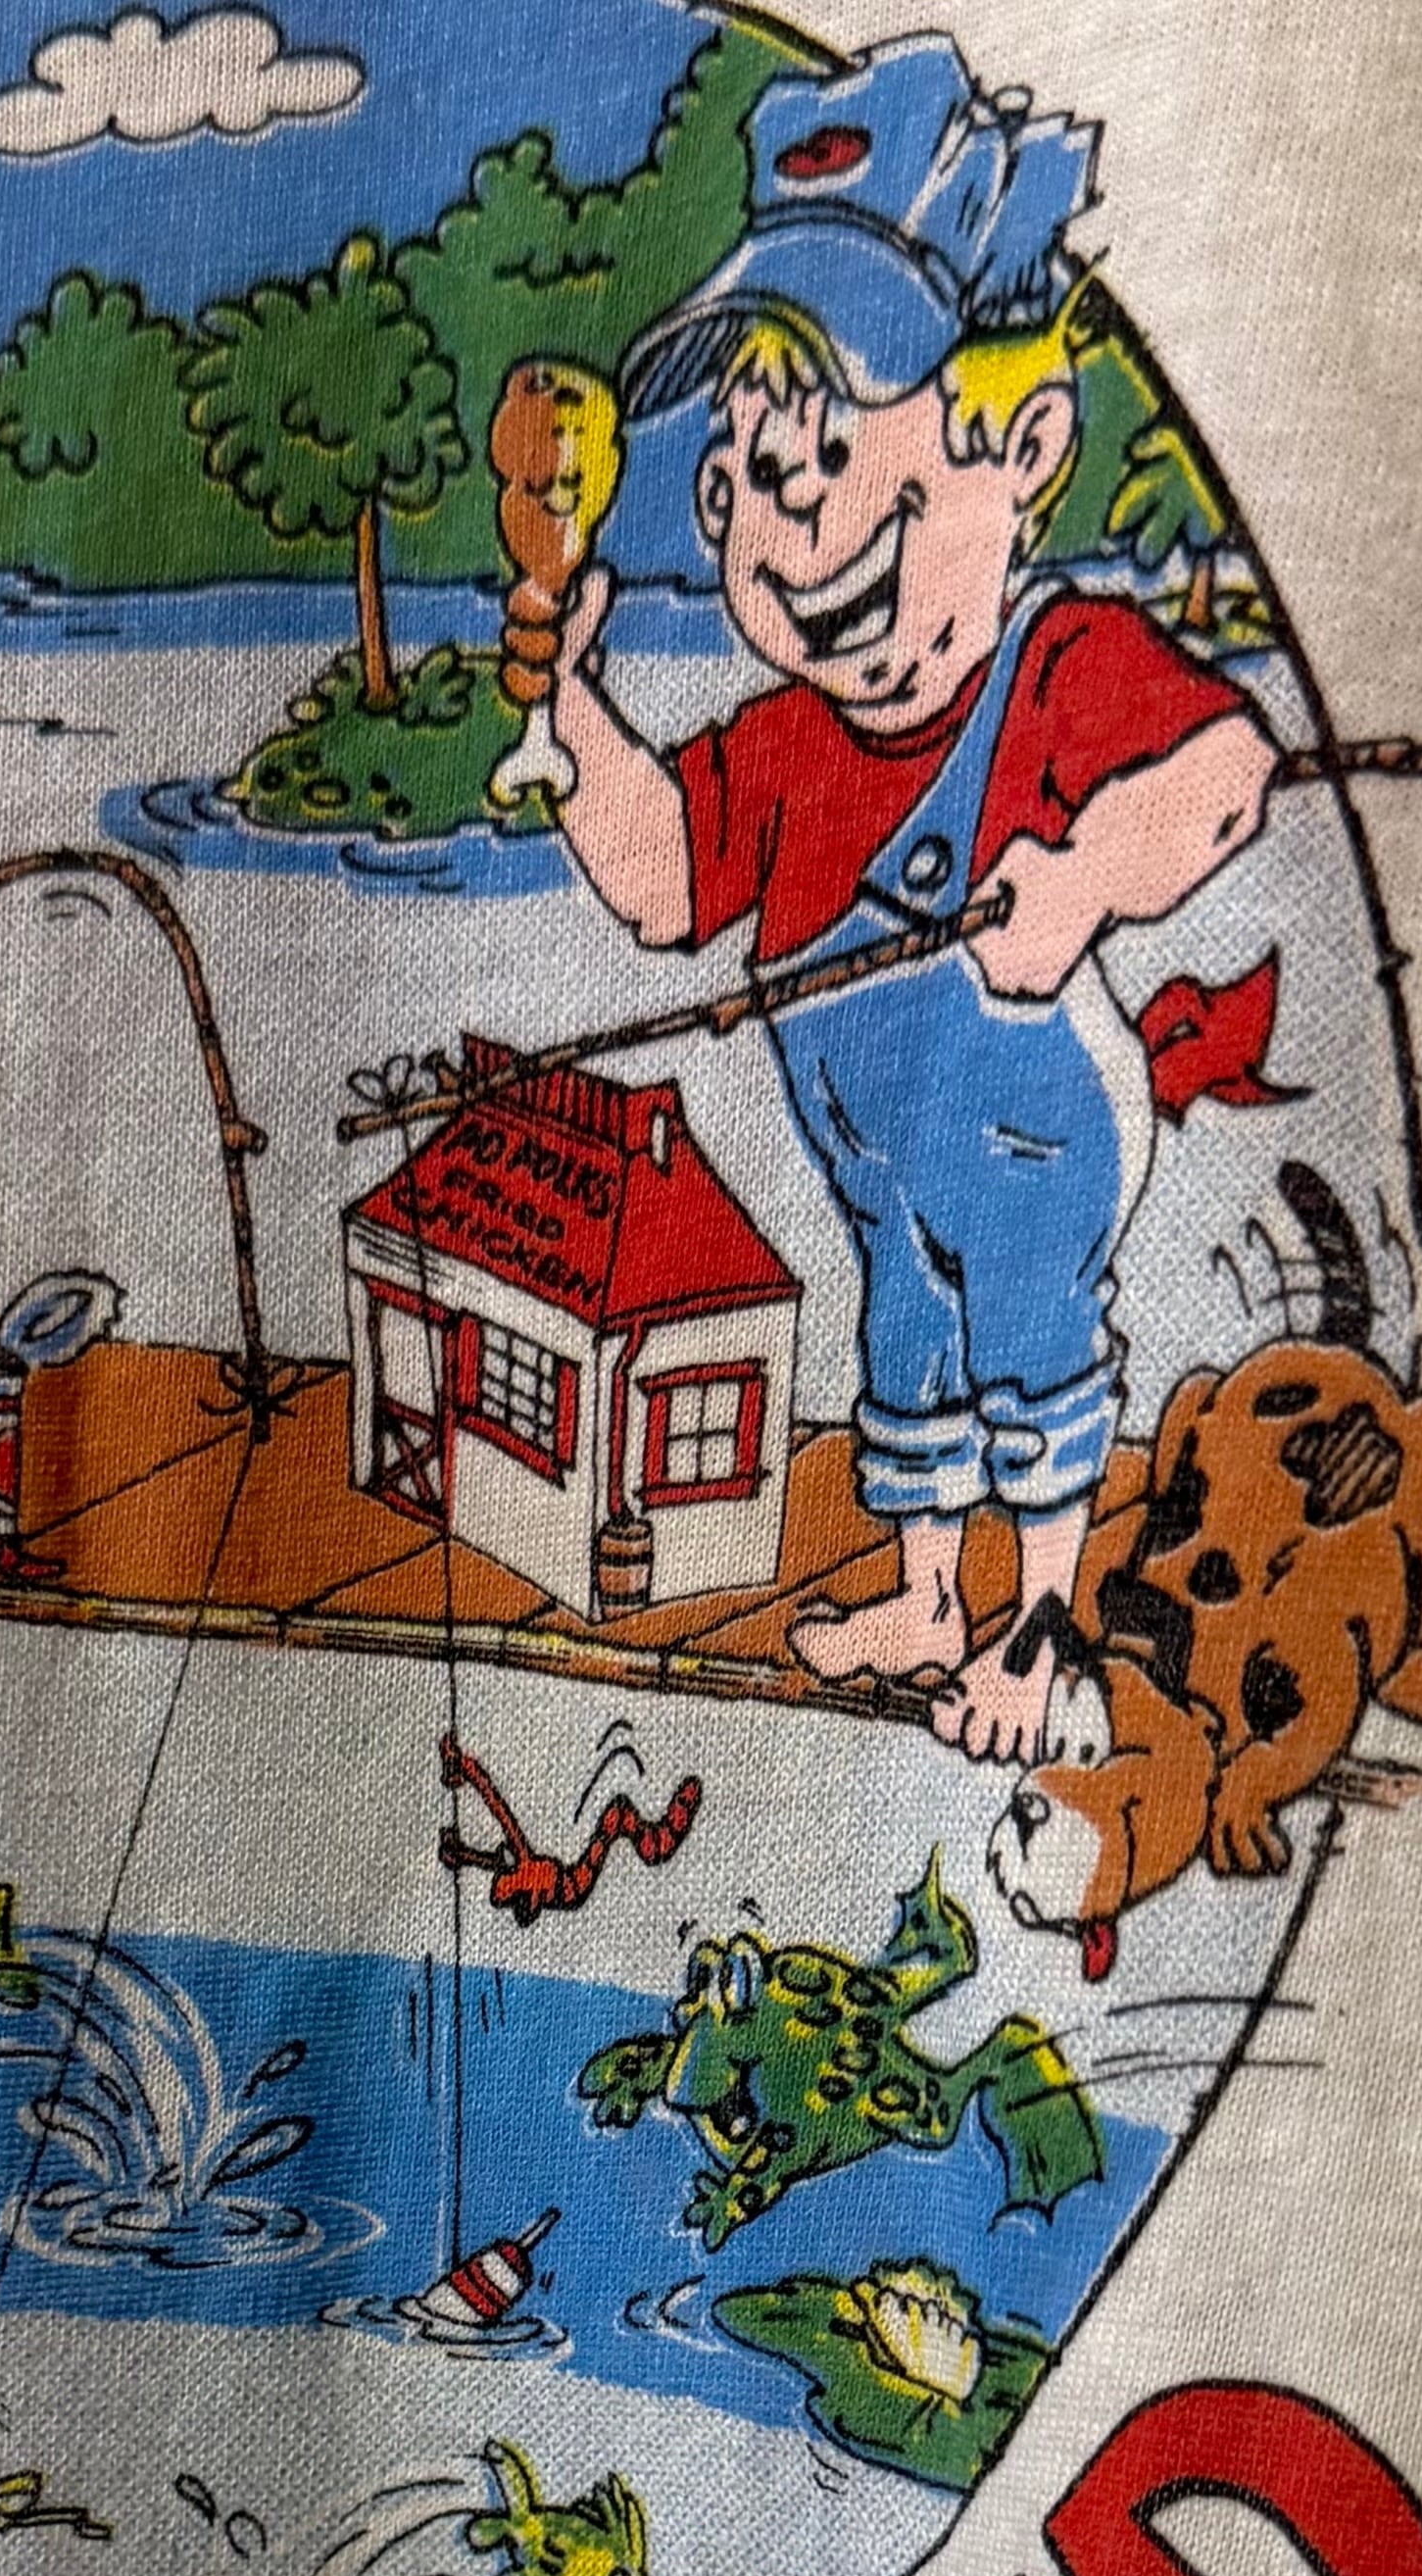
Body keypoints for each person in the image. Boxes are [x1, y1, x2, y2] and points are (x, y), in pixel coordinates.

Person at [539, 39, 1279, 1763]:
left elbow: (1226, 767)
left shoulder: (1055, 669)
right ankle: (929, 1594)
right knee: (907, 1334)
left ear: (1022, 446)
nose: (792, 504)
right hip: (878, 1157)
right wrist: (573, 717)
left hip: (1039, 1133)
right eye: (751, 467)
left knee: (1028, 1335)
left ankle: (1037, 1624)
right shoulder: (786, 749)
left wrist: (1085, 878)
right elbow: (666, 888)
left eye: (839, 446)